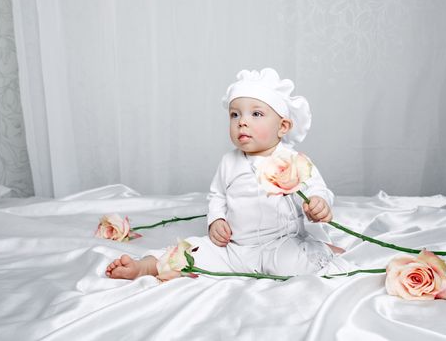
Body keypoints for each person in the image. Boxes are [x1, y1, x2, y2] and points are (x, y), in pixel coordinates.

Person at [106, 68, 344, 281]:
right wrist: (216, 220)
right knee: (194, 252)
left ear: (282, 126)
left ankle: (320, 251)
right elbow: (217, 196)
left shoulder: (294, 161)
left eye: (256, 114)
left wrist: (319, 203)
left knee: (293, 265)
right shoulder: (229, 162)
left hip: (280, 244)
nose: (242, 122)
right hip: (235, 249)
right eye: (235, 115)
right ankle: (146, 266)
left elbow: (316, 188)